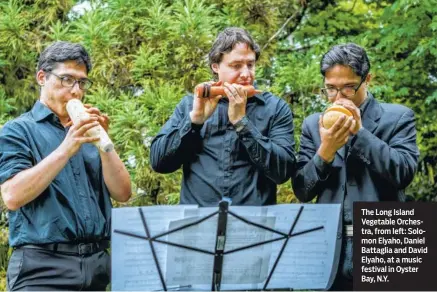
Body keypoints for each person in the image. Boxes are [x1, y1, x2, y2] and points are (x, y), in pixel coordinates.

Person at [0, 41, 132, 290]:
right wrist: (67, 147)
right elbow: (12, 196)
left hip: (97, 267)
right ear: (42, 77)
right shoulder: (18, 130)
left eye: (82, 82)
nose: (76, 91)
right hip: (42, 269)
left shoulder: (86, 130)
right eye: (67, 79)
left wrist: (105, 144)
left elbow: (123, 193)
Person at [292, 43, 419, 290]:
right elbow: (302, 190)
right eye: (330, 89)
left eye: (348, 88)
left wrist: (359, 134)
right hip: (330, 247)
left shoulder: (399, 117)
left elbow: (403, 173)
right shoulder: (312, 125)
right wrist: (325, 152)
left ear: (367, 79)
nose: (338, 97)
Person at [150, 27, 296, 206]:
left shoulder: (275, 108)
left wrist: (242, 124)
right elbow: (159, 163)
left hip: (256, 227)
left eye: (250, 65)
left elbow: (283, 172)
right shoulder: (190, 105)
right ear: (215, 66)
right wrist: (194, 121)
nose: (246, 74)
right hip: (197, 226)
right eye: (236, 66)